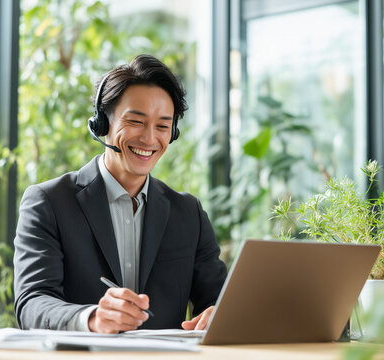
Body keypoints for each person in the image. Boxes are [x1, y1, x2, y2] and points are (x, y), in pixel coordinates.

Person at [13, 54, 227, 334]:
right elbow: (32, 303)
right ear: (102, 124)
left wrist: (218, 315)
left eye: (162, 126)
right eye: (136, 122)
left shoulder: (188, 213)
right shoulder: (48, 203)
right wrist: (92, 318)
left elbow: (219, 299)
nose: (150, 139)